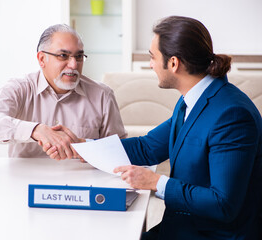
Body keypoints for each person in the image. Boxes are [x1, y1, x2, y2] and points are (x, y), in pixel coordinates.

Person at [45, 16, 262, 239]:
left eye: (153, 57)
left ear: (174, 63)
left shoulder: (231, 115)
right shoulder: (192, 99)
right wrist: (83, 146)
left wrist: (156, 182)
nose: (150, 64)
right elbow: (148, 147)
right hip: (182, 228)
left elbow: (223, 204)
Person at [0, 24, 127, 159]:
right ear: (42, 59)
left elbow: (120, 150)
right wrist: (35, 130)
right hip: (25, 182)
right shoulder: (19, 88)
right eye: (63, 56)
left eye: (79, 56)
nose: (74, 64)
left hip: (83, 183)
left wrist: (86, 149)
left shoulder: (102, 95)